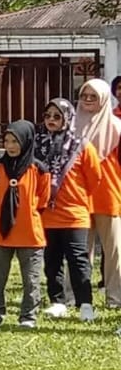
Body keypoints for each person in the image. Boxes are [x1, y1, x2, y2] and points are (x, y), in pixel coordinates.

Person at [36, 98, 102, 322]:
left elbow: (95, 178)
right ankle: (57, 302)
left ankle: (85, 304)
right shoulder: (38, 144)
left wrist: (77, 196)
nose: (51, 121)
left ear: (68, 118)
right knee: (52, 260)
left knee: (78, 260)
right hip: (47, 214)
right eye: (48, 116)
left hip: (75, 213)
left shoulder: (82, 145)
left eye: (57, 116)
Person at [0, 121, 49, 329]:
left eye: (15, 141)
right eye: (7, 141)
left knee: (31, 280)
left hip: (29, 233)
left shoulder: (38, 169)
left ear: (27, 141)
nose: (10, 146)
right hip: (0, 233)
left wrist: (26, 211)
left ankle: (28, 315)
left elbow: (43, 199)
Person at [75, 78, 121, 307]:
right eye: (85, 96)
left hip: (109, 193)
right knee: (80, 250)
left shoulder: (117, 127)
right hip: (78, 195)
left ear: (104, 99)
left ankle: (115, 298)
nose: (88, 100)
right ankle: (76, 296)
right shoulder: (73, 126)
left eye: (94, 96)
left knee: (114, 251)